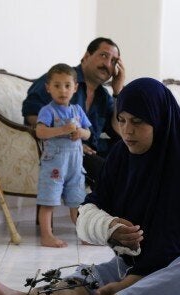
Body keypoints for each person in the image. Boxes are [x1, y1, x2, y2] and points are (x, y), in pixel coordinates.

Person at [0, 78, 180, 295]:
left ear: (160, 119)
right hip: (141, 265)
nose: (127, 130)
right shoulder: (123, 156)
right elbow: (92, 207)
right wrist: (108, 226)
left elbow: (179, 248)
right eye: (122, 120)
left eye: (138, 122)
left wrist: (128, 283)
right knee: (100, 272)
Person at [22, 37, 126, 190]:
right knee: (112, 174)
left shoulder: (104, 96)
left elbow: (119, 130)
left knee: (134, 155)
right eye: (103, 55)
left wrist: (118, 92)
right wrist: (70, 140)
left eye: (113, 61)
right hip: (65, 149)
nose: (107, 64)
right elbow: (31, 114)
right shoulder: (62, 80)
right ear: (86, 56)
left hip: (93, 149)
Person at [35, 64, 92, 248]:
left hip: (75, 166)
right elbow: (40, 132)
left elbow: (89, 133)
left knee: (77, 202)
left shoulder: (77, 110)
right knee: (48, 200)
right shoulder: (48, 111)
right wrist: (62, 130)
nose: (62, 90)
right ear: (48, 88)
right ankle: (47, 236)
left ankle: (84, 235)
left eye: (67, 85)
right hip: (54, 166)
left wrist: (80, 133)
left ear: (75, 87)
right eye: (57, 85)